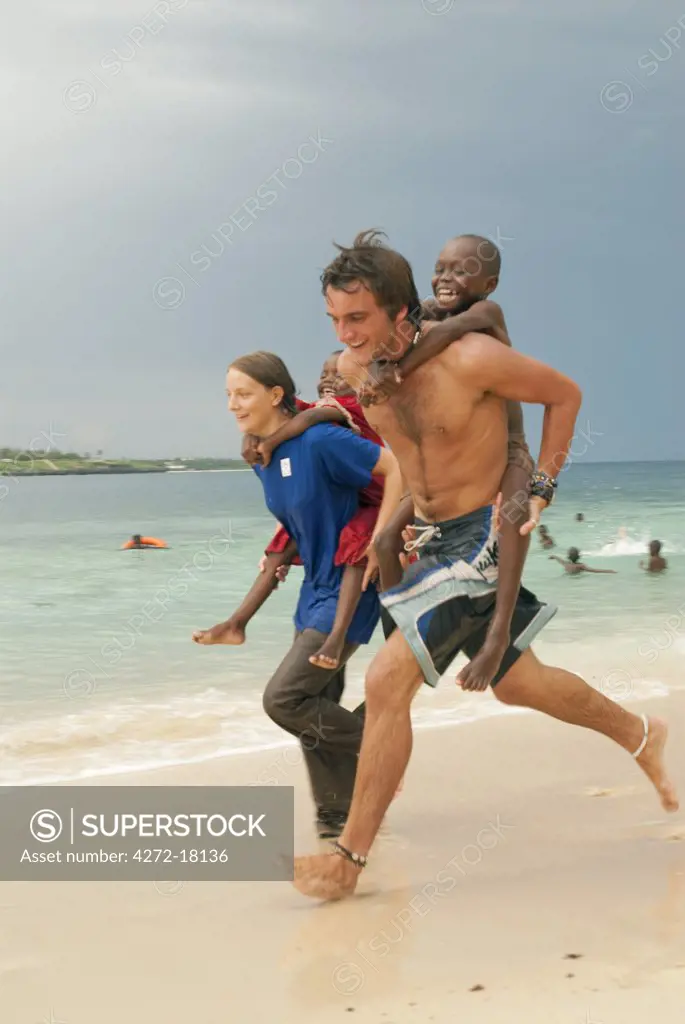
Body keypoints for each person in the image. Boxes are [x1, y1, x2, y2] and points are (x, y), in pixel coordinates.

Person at [293, 231, 678, 901]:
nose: (344, 334)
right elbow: (404, 457)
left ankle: (346, 861)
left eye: (357, 318)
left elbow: (564, 395)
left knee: (387, 684)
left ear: (398, 310)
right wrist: (395, 524)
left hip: (482, 532)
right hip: (431, 534)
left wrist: (540, 487)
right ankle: (640, 734)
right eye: (333, 319)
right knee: (517, 684)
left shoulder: (472, 359)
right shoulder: (357, 373)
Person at [192, 351, 404, 840]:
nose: (232, 404)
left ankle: (384, 745)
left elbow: (396, 470)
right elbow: (300, 517)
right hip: (312, 592)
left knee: (284, 700)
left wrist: (379, 540)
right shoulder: (263, 455)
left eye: (242, 393)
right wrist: (278, 554)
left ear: (275, 394)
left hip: (350, 587)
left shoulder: (322, 439)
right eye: (228, 395)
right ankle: (338, 820)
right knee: (314, 706)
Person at [343, 233, 541, 690]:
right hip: (456, 464)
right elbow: (398, 325)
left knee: (511, 521)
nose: (448, 278)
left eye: (462, 270)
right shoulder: (428, 310)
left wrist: (397, 369)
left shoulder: (486, 313)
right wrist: (374, 364)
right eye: (442, 267)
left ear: (488, 284)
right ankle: (403, 634)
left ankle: (497, 636)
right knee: (387, 538)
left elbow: (448, 332)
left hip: (509, 451)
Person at [241, 350, 390, 670]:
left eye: (339, 374)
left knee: (355, 549)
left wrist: (269, 443)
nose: (329, 380)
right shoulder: (324, 407)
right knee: (279, 544)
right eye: (324, 373)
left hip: (376, 502)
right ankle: (237, 622)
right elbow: (290, 410)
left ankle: (336, 637)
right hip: (347, 499)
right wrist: (251, 433)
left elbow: (306, 418)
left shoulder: (353, 407)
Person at [549, 547, 617, 576]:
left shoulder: (566, 564)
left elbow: (559, 559)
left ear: (568, 556)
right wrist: (608, 571)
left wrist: (554, 556)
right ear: (578, 556)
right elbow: (594, 570)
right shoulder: (580, 566)